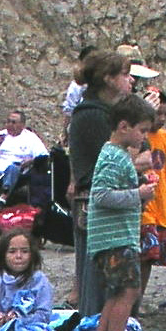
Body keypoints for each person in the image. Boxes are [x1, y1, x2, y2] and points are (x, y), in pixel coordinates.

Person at [80, 97, 151, 331]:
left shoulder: (118, 156)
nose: (144, 137)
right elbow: (101, 195)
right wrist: (138, 194)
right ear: (124, 126)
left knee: (116, 292)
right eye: (142, 130)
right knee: (128, 291)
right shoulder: (113, 156)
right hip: (115, 238)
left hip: (115, 237)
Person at [65, 48, 133, 312]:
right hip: (95, 204)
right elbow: (114, 159)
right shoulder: (93, 115)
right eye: (125, 74)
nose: (131, 80)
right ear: (108, 78)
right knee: (96, 279)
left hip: (104, 201)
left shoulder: (104, 112)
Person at [138, 94, 166, 287]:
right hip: (145, 208)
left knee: (150, 259)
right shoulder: (138, 137)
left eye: (165, 114)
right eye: (157, 114)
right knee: (140, 257)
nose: (161, 119)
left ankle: (139, 300)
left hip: (161, 208)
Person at [0, 110, 48, 200]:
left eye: (14, 122)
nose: (10, 124)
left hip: (16, 171)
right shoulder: (0, 135)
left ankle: (3, 198)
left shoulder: (31, 138)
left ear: (22, 125)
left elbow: (44, 156)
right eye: (8, 121)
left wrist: (30, 161)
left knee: (12, 168)